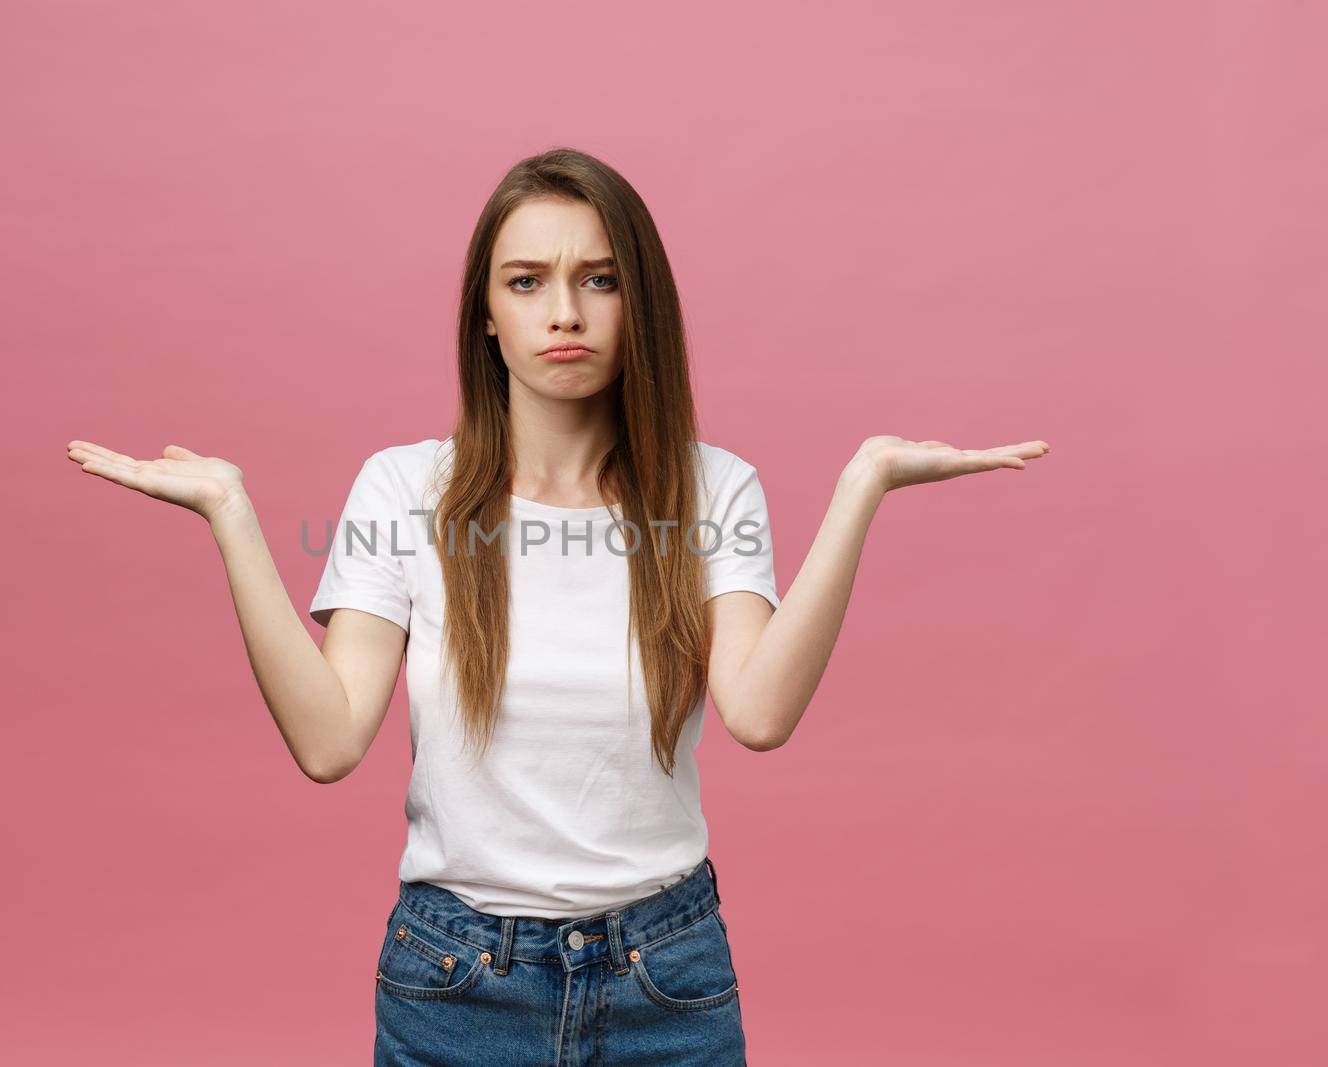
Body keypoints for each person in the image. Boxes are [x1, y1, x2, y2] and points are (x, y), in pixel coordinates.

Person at [65, 146, 1050, 1065]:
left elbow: (759, 712)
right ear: (486, 315)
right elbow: (326, 741)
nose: (564, 312)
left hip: (665, 973)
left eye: (600, 278)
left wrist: (861, 486)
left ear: (640, 305)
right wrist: (231, 516)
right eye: (526, 281)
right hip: (454, 980)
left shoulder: (713, 491)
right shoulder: (405, 489)